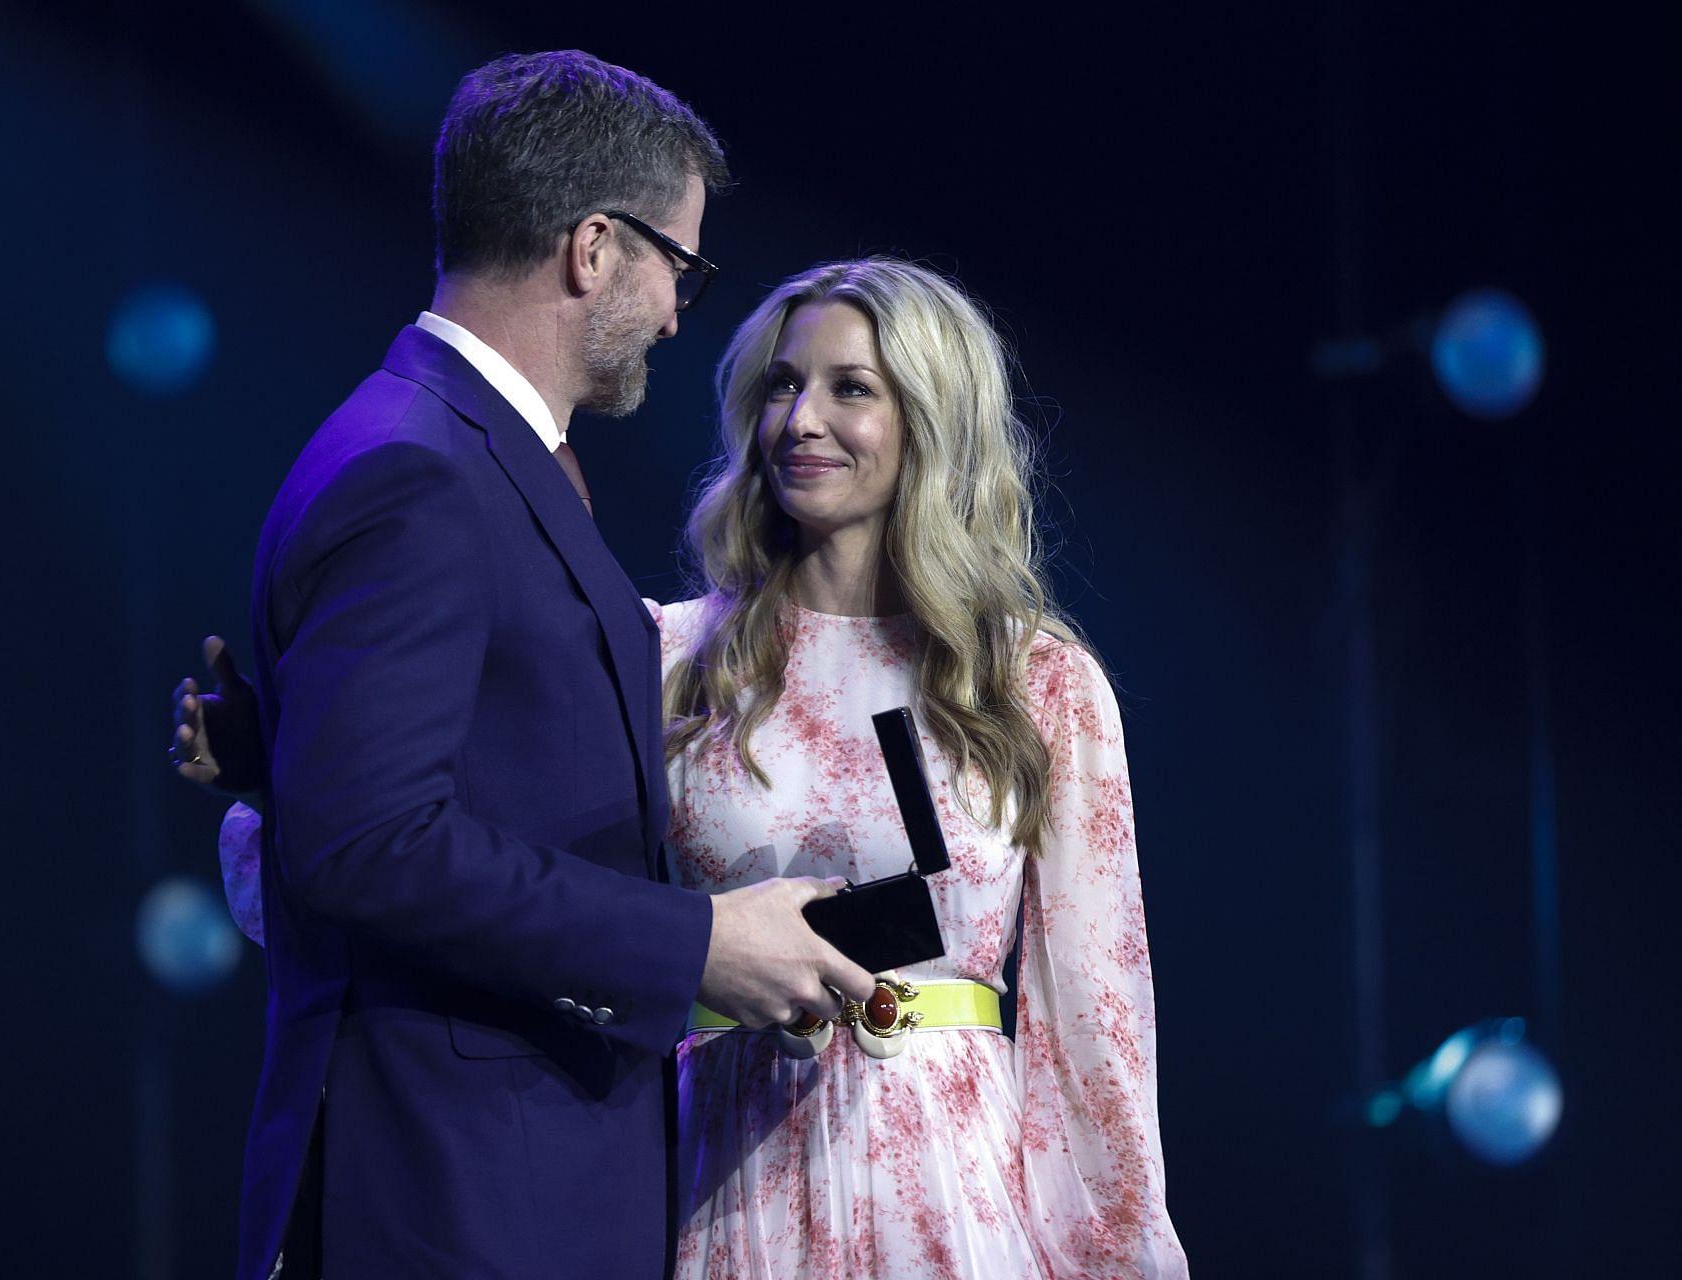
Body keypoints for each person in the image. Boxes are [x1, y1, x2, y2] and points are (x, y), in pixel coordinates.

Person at [187, 258, 1186, 1278]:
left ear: (933, 418)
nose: (800, 419)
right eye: (781, 386)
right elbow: (479, 877)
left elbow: (1097, 1022)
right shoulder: (666, 656)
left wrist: (1117, 1256)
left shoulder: (1033, 682)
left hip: (946, 1201)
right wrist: (296, 769)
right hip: (709, 1178)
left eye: (851, 388)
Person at [202, 50, 878, 1280]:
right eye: (680, 265)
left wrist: (276, 765)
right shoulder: (419, 469)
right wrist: (696, 945)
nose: (682, 311)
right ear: (593, 248)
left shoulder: (469, 451)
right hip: (453, 1196)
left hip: (515, 1182)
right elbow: (374, 841)